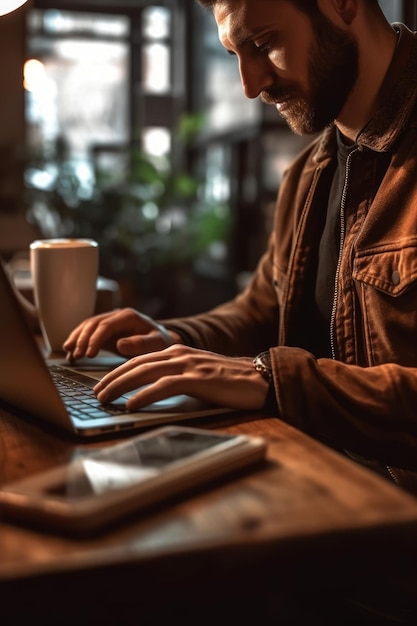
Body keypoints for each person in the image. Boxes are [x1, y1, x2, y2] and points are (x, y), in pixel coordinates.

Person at [62, 1, 417, 621]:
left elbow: (268, 364)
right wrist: (167, 337)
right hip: (305, 512)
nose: (250, 85)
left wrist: (273, 380)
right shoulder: (311, 172)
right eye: (234, 55)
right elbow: (259, 311)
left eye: (265, 43)